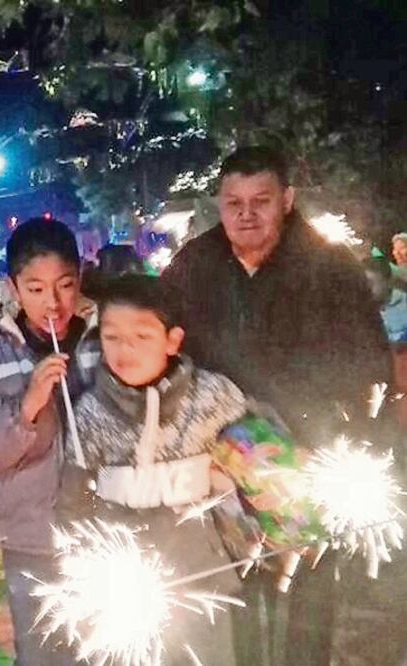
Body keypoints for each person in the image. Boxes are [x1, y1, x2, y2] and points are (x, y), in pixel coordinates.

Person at [161, 146, 392, 666]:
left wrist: (352, 436)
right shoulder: (193, 265)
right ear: (218, 204)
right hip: (222, 464)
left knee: (309, 594)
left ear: (287, 199)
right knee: (233, 593)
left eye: (260, 200)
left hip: (312, 455)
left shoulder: (330, 268)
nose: (246, 214)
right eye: (233, 202)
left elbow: (367, 361)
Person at [65, 275, 246, 664]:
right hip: (120, 577)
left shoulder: (215, 396)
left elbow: (258, 458)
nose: (124, 349)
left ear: (173, 340)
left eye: (142, 336)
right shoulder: (90, 413)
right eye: (111, 337)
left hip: (200, 569)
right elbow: (73, 498)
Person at [0, 216, 99, 666]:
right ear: (13, 288)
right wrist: (27, 407)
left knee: (105, 646)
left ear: (80, 279)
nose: (54, 303)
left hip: (101, 527)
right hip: (30, 538)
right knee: (42, 652)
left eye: (65, 285)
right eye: (36, 289)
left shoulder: (104, 338)